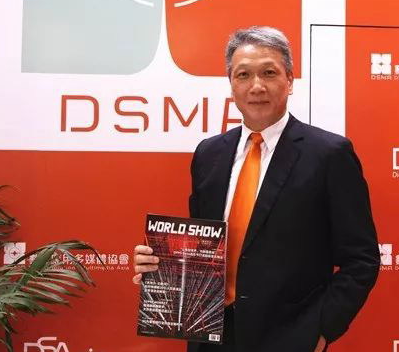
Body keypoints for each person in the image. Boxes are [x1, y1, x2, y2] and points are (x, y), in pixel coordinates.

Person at [133, 27, 379, 352]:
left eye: (269, 73)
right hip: (209, 334)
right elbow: (203, 251)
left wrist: (320, 330)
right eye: (244, 75)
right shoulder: (209, 154)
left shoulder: (329, 155)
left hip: (288, 338)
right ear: (231, 84)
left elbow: (361, 259)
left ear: (290, 80)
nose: (257, 86)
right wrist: (161, 266)